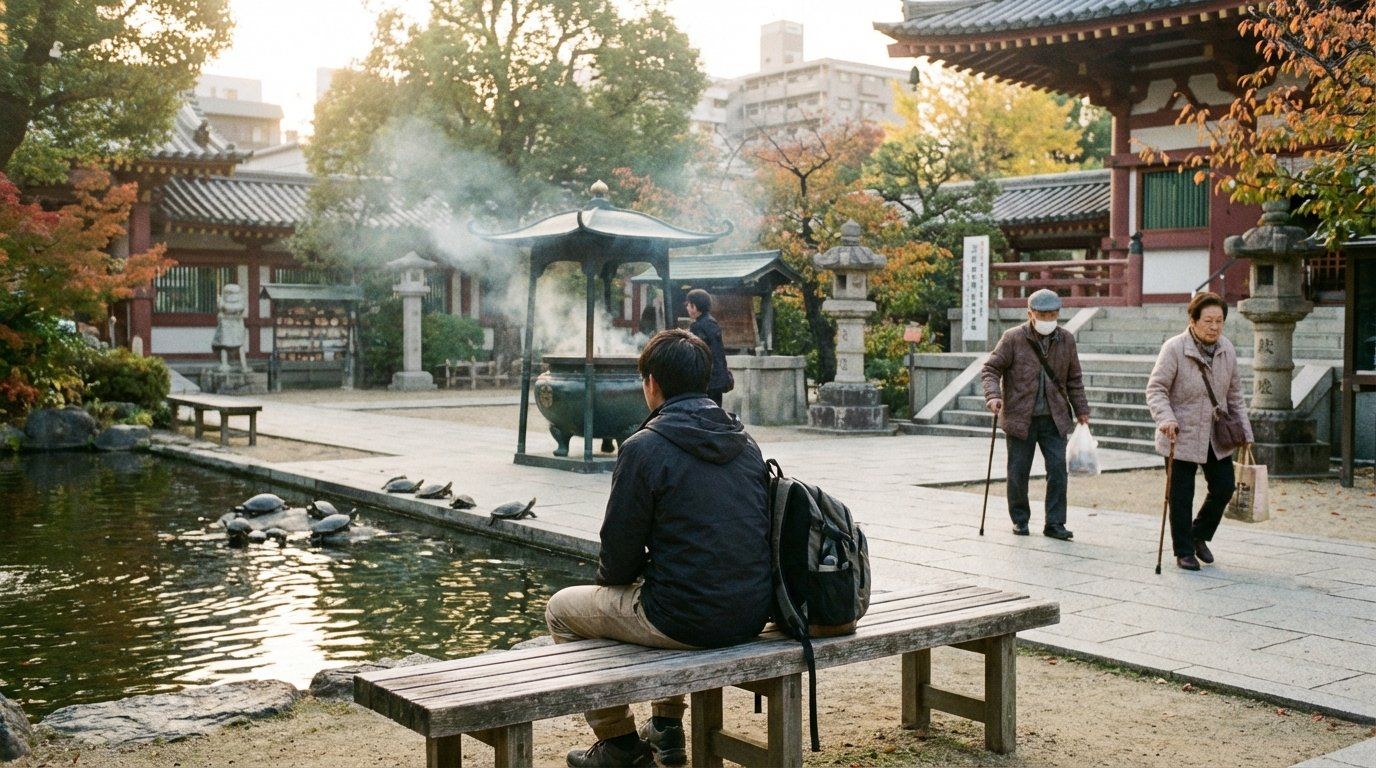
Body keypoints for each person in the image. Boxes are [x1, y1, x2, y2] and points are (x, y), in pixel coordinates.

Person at [546, 328, 772, 768]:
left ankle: (619, 743)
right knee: (672, 583)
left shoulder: (644, 448)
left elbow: (617, 556)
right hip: (751, 611)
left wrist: (620, 583)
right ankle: (667, 728)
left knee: (562, 609)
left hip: (685, 619)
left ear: (650, 382)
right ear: (705, 381)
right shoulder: (746, 443)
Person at [1145, 291, 1253, 571]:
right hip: (1179, 432)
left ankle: (1198, 534)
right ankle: (1183, 550)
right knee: (1181, 495)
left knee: (1224, 486)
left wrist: (1246, 432)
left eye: (1220, 321)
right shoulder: (1174, 348)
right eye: (1208, 321)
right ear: (1192, 320)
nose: (1215, 327)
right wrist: (1165, 419)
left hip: (1216, 433)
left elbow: (1235, 395)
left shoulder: (1226, 349)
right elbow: (1156, 389)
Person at [981, 289, 1090, 540]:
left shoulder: (1066, 340)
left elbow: (1074, 379)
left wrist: (1082, 410)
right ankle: (1020, 519)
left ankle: (1055, 523)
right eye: (1042, 314)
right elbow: (991, 369)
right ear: (1030, 313)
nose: (1048, 319)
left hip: (1054, 417)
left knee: (1058, 471)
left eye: (1053, 314)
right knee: (1018, 472)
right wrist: (993, 396)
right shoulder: (1012, 338)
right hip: (1021, 417)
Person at [685, 289, 733, 406]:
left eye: (689, 304)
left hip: (705, 379)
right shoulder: (712, 322)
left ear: (694, 307)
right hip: (718, 377)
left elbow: (694, 353)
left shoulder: (697, 326)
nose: (687, 307)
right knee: (715, 412)